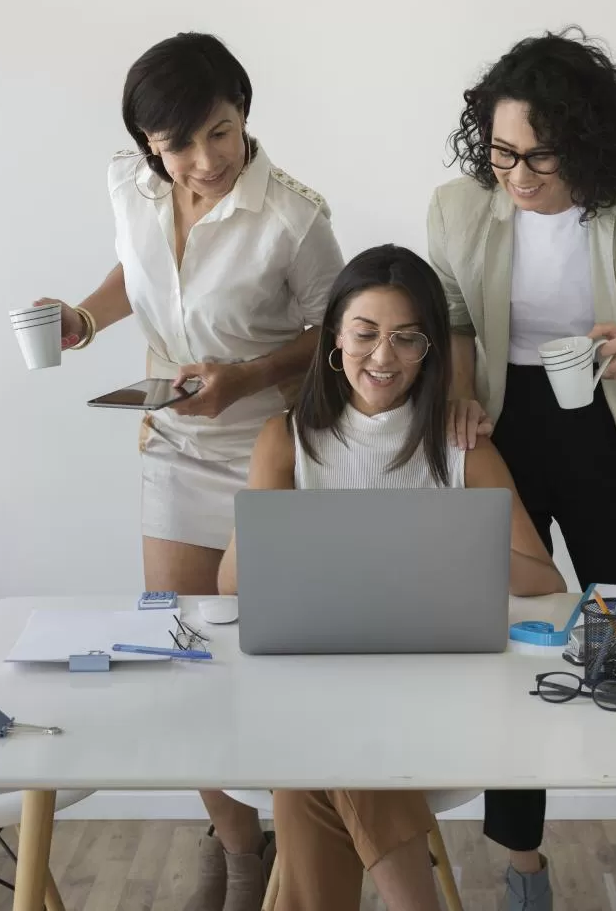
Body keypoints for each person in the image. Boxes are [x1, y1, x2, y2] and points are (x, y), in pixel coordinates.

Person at [36, 32, 344, 911]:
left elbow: (337, 333)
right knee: (179, 662)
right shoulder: (127, 185)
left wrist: (244, 378)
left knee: (260, 658)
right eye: (178, 145)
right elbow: (137, 274)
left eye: (221, 132)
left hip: (268, 449)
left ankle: (297, 845)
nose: (204, 160)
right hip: (173, 443)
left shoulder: (293, 216)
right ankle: (240, 848)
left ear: (244, 115)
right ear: (147, 146)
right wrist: (82, 321)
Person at [428, 27, 616, 911]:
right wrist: (462, 396)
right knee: (519, 641)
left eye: (538, 157)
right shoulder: (458, 208)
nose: (516, 176)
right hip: (508, 431)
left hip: (609, 426)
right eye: (501, 152)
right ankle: (522, 863)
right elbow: (458, 321)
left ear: (586, 143)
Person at [218, 244, 566, 911]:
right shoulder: (283, 439)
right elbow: (234, 586)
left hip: (435, 693)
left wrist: (442, 543)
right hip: (313, 685)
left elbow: (542, 580)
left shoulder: (463, 444)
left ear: (430, 349)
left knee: (312, 761)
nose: (383, 357)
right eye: (366, 333)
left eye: (407, 339)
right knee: (322, 746)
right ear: (334, 339)